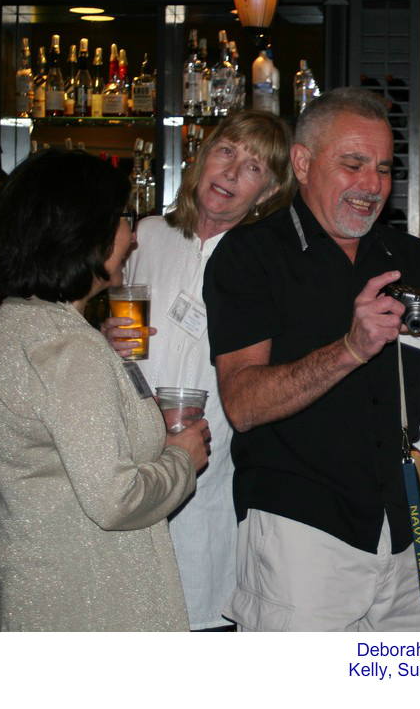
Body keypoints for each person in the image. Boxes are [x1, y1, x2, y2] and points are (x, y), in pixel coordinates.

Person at [203, 88, 420, 631]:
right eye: (353, 165)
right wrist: (351, 350)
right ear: (303, 163)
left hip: (400, 529)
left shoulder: (409, 256)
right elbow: (242, 405)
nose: (372, 185)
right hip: (300, 534)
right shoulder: (250, 254)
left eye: (383, 169)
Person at [0, 149, 209, 631]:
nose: (133, 235)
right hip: (91, 608)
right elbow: (116, 499)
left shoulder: (19, 321)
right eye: (123, 218)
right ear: (84, 231)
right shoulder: (66, 346)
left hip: (44, 600)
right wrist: (182, 459)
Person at [100, 110, 295, 631]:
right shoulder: (147, 235)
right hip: (131, 465)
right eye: (226, 151)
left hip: (216, 474)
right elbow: (102, 338)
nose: (230, 172)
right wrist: (104, 337)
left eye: (253, 167)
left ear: (270, 191)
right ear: (203, 157)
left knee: (201, 621)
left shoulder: (267, 261)